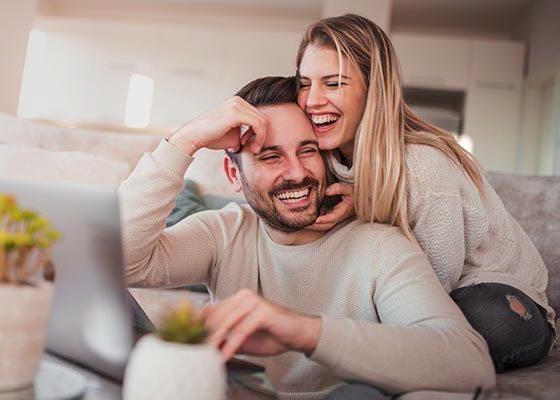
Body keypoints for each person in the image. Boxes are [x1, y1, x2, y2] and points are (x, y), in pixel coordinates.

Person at [119, 76, 495, 399]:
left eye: (308, 150)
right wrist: (184, 141)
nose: (297, 173)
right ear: (233, 176)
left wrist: (301, 331)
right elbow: (125, 263)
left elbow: (470, 363)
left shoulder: (380, 246)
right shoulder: (225, 231)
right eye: (270, 157)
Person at [294, 13, 556, 372]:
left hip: (496, 292)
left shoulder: (423, 165)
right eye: (304, 83)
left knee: (485, 321)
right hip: (417, 298)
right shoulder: (324, 159)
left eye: (334, 83)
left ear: (374, 89)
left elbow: (432, 289)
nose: (312, 100)